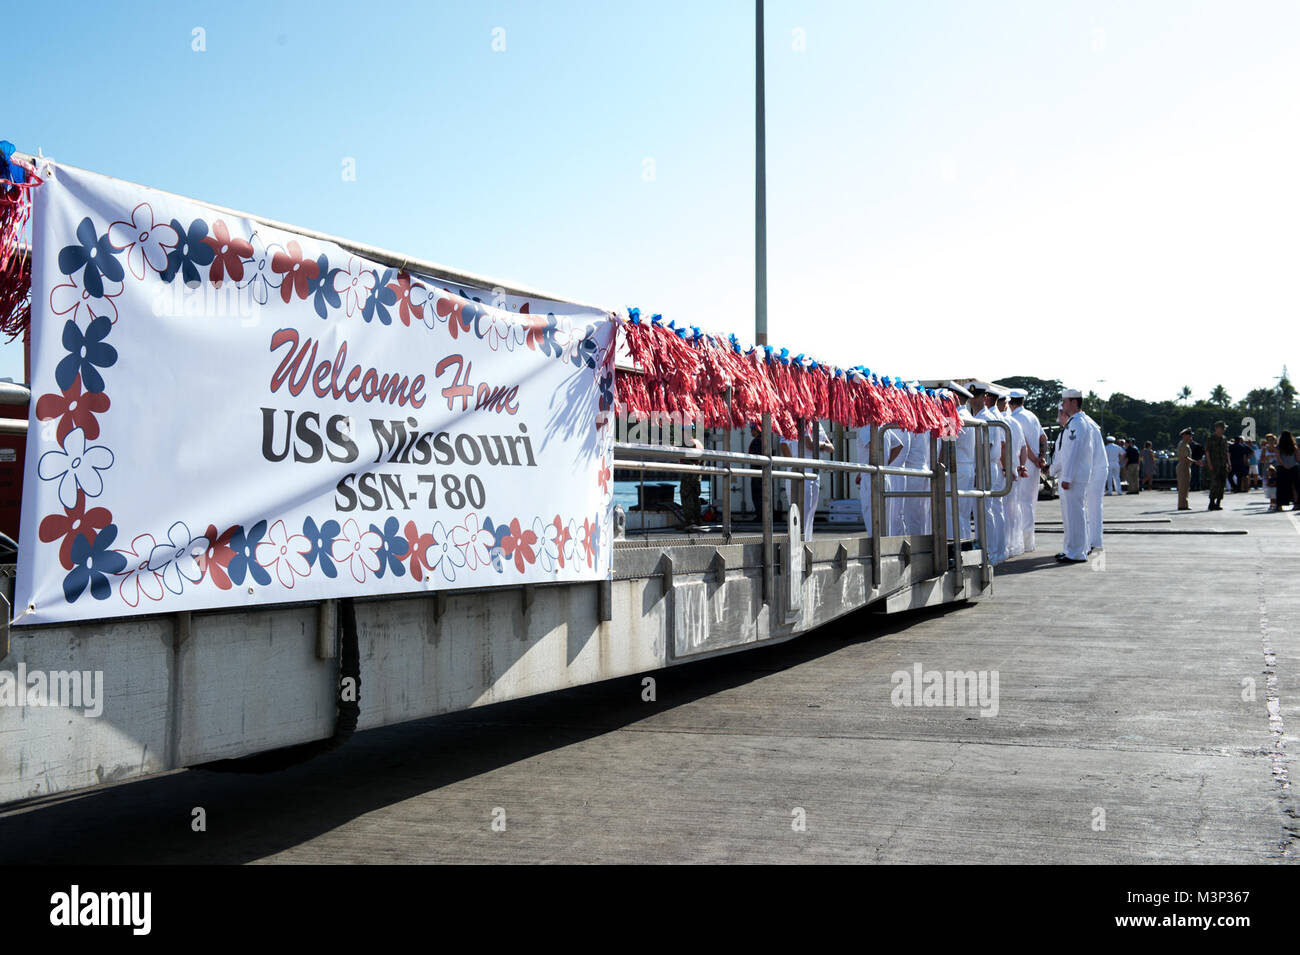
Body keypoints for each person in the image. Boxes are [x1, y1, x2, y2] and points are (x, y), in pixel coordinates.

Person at [780, 420, 833, 541]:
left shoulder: (816, 424)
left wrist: (820, 445)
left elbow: (831, 447)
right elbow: (785, 444)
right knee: (799, 511)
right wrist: (793, 465)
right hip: (799, 469)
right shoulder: (793, 421)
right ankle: (796, 544)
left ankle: (807, 542)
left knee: (810, 512)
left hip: (814, 469)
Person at [1056, 389, 1093, 562]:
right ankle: (1073, 549)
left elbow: (1074, 453)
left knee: (1074, 516)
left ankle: (1076, 552)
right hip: (1075, 476)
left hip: (1075, 477)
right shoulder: (1075, 422)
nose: (1062, 404)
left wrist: (1067, 477)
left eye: (1065, 401)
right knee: (1073, 515)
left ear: (1074, 402)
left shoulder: (1077, 423)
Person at [1008, 388, 1045, 553]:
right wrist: (1041, 457)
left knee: (1022, 504)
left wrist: (1035, 459)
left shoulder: (1015, 418)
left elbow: (1024, 445)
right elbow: (1043, 438)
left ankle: (1025, 543)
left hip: (1026, 464)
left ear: (1011, 403)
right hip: (1035, 466)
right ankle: (1030, 542)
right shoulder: (1033, 416)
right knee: (1030, 502)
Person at [855, 421, 903, 535]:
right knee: (885, 521)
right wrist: (884, 463)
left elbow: (873, 447)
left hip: (871, 476)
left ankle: (876, 550)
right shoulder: (882, 427)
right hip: (883, 474)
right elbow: (898, 446)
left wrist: (873, 465)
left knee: (872, 519)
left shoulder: (867, 427)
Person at [976, 385, 1007, 564]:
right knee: (992, 510)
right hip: (989, 465)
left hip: (984, 466)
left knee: (985, 512)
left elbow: (986, 447)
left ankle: (991, 553)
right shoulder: (987, 416)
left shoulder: (986, 417)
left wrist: (976, 470)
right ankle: (996, 551)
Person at [995, 390, 1028, 558]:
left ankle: (1005, 547)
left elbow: (1002, 447)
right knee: (1014, 510)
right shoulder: (1015, 422)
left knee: (1002, 511)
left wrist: (1006, 468)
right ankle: (1015, 545)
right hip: (1013, 469)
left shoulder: (998, 420)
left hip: (1003, 470)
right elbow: (1024, 448)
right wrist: (1021, 466)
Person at [1081, 408, 1107, 551]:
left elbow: (1087, 453)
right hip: (1096, 468)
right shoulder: (1086, 422)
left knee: (1092, 506)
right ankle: (1093, 541)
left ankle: (1092, 542)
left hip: (1094, 470)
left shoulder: (1084, 425)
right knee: (1093, 506)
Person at [1205, 421, 1228, 510]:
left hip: (1223, 464)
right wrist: (1209, 464)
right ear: (1217, 428)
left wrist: (1228, 463)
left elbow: (1226, 452)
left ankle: (1218, 503)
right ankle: (1211, 503)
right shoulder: (1211, 438)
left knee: (1222, 484)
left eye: (1224, 428)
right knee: (1214, 483)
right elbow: (1207, 452)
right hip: (1214, 464)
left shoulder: (1224, 439)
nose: (1223, 430)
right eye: (1222, 428)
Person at [1276, 431, 1299, 511]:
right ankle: (1296, 504)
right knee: (1294, 487)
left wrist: (1284, 465)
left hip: (1282, 468)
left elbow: (1278, 458)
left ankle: (1280, 505)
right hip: (1293, 467)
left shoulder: (1278, 447)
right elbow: (1298, 458)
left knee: (1281, 487)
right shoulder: (1294, 446)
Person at [747, 424, 766, 518]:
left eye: (752, 429)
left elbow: (754, 458)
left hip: (757, 472)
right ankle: (762, 514)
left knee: (757, 494)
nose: (751, 431)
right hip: (762, 472)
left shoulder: (757, 442)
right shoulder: (764, 441)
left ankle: (760, 514)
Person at [1175, 428, 1193, 510]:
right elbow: (1185, 457)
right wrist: (1195, 462)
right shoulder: (1182, 444)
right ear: (1185, 436)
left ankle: (1184, 504)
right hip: (1183, 467)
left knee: (1185, 487)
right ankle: (1182, 505)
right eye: (1189, 435)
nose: (1191, 437)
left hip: (1186, 467)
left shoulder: (1186, 444)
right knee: (1182, 487)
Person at [1260, 434, 1278, 511]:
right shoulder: (1265, 449)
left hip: (1276, 469)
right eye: (1269, 440)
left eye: (1272, 440)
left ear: (1274, 440)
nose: (1270, 441)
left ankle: (1277, 503)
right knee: (1269, 487)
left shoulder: (1277, 448)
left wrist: (1275, 457)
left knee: (1276, 487)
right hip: (1267, 469)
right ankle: (1272, 503)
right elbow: (1261, 460)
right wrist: (1266, 458)